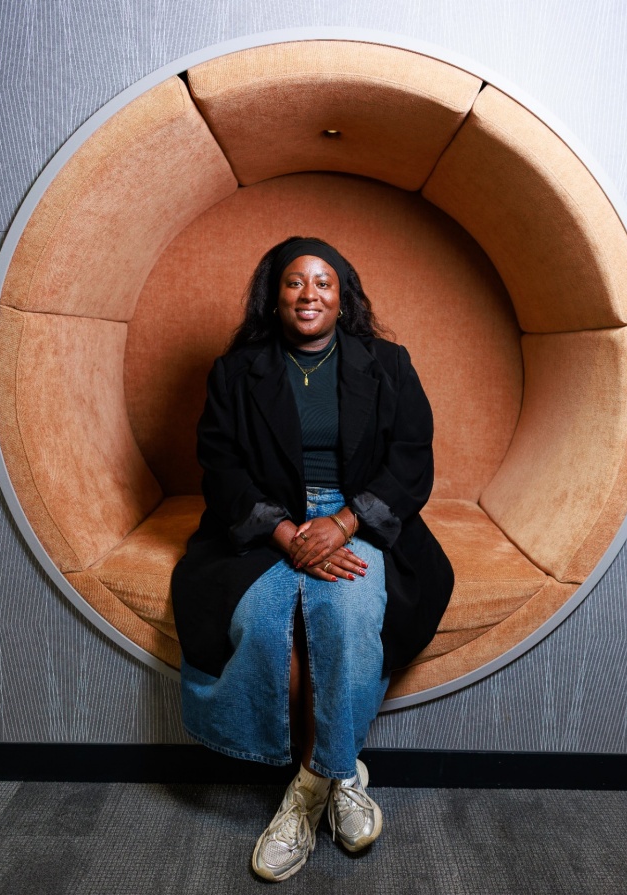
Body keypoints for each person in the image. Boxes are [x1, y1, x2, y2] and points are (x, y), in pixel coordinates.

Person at [171, 236, 454, 882]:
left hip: (364, 512)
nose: (309, 294)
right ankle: (342, 774)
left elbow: (411, 461)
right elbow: (221, 467)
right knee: (262, 619)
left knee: (351, 613)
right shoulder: (236, 370)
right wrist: (289, 534)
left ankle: (307, 792)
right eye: (295, 282)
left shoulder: (388, 363)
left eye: (323, 282)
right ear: (274, 296)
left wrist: (345, 521)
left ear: (342, 295)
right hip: (268, 521)